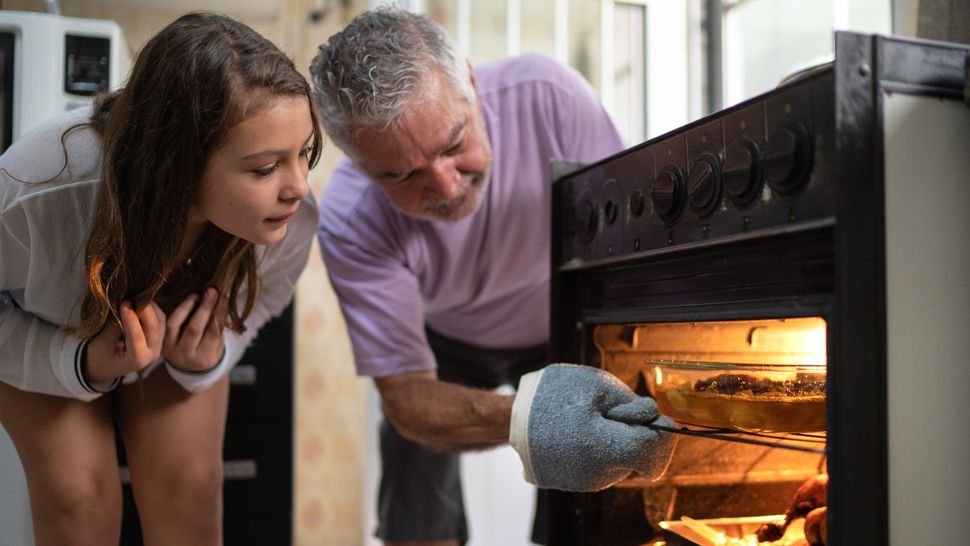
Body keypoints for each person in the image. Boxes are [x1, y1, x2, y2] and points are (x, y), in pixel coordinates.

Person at [310, 8, 676, 546]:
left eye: (453, 145)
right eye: (402, 175)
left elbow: (627, 256)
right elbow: (408, 396)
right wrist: (531, 417)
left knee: (599, 500)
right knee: (412, 471)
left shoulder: (550, 97)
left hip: (564, 315)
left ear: (470, 82)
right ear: (359, 165)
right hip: (445, 337)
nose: (446, 187)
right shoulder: (349, 217)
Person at [0, 12, 321, 545]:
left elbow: (261, 305)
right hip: (43, 337)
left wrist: (210, 357)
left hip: (169, 355)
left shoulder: (292, 216)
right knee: (80, 499)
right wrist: (78, 360)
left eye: (304, 152)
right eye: (265, 168)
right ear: (179, 161)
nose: (299, 187)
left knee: (191, 490)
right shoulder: (37, 189)